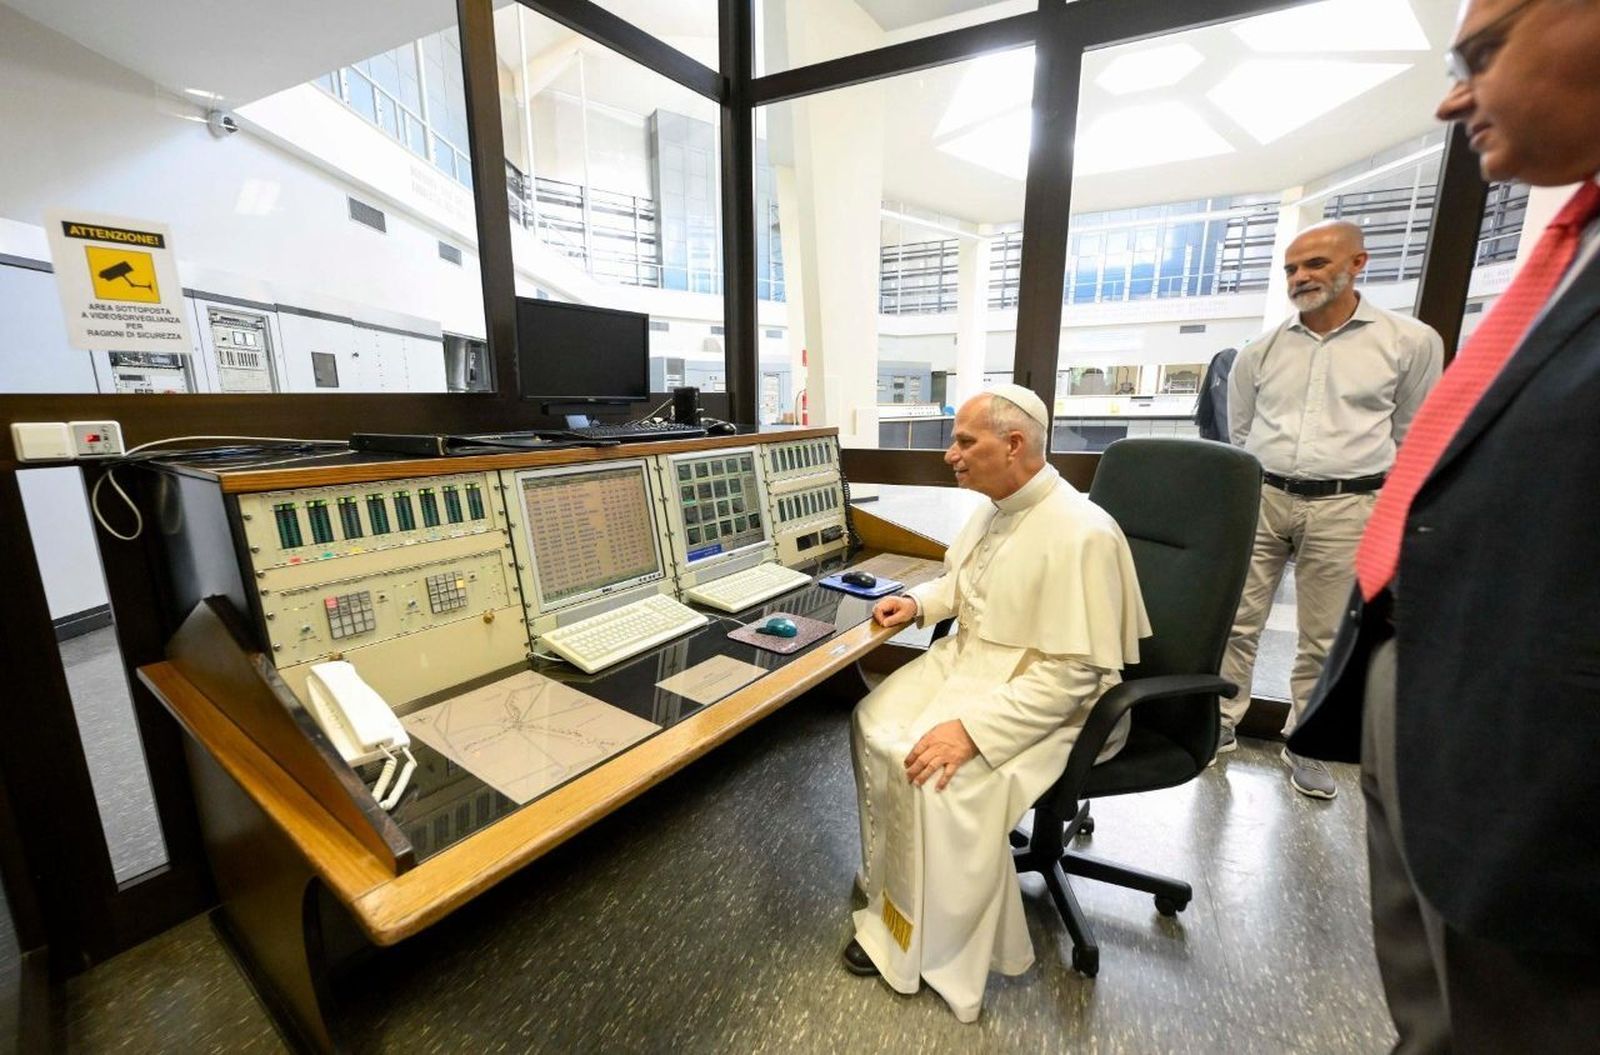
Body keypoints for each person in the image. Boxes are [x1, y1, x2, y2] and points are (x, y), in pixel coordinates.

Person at [1290, 1, 1600, 1047]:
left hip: (1538, 756)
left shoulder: (1404, 337)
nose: (1450, 96)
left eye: (1482, 52)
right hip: (1421, 666)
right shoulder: (1570, 249)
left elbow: (1426, 426)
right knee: (1433, 1003)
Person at [842, 384, 1149, 1022]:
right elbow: (967, 580)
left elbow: (1072, 675)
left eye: (963, 441)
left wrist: (973, 731)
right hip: (978, 664)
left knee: (933, 771)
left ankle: (930, 944)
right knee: (871, 720)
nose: (949, 455)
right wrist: (920, 603)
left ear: (1013, 445)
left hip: (1054, 703)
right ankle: (892, 888)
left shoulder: (1083, 532)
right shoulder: (997, 503)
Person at [1218, 220, 1443, 797]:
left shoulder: (1409, 342)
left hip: (1350, 502)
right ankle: (1218, 724)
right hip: (1264, 497)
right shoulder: (1261, 350)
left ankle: (1304, 742)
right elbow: (1242, 429)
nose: (1301, 277)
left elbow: (1413, 432)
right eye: (1292, 268)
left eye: (1315, 264)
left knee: (1322, 637)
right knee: (1237, 621)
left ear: (1357, 264)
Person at [1194, 346, 1239, 442]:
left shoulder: (1214, 388)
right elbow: (1226, 430)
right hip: (1227, 447)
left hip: (1213, 446)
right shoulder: (1227, 360)